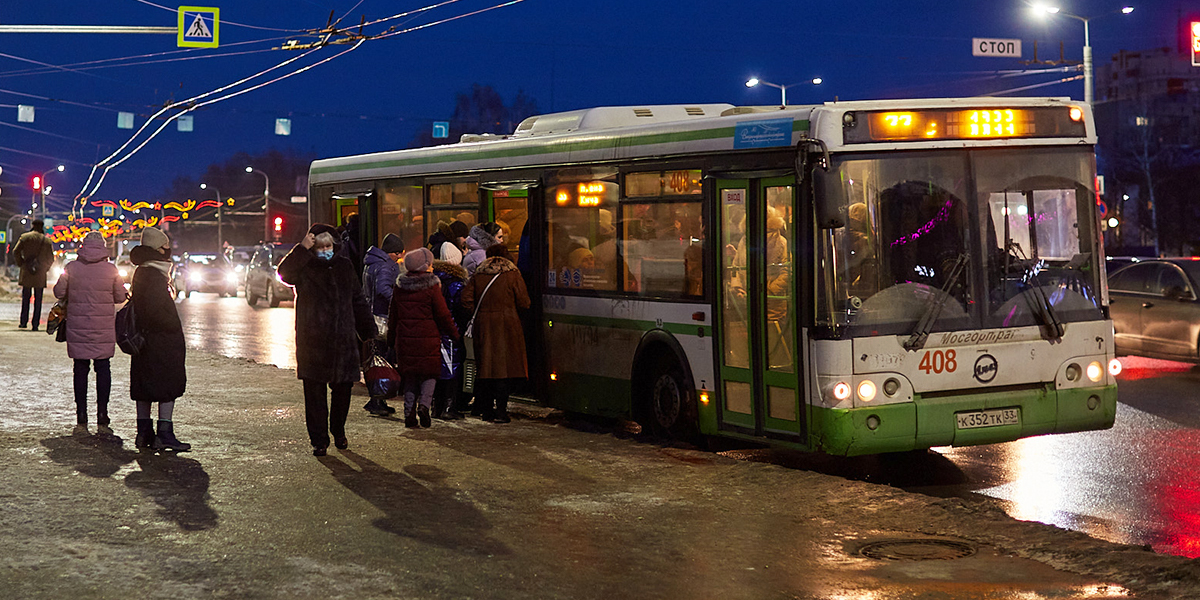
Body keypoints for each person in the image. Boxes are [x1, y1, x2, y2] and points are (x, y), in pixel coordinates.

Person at [279, 224, 376, 457]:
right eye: (320, 247)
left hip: (343, 342)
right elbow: (284, 273)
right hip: (313, 342)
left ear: (335, 246)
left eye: (328, 246)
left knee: (343, 392)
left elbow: (358, 300)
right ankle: (319, 440)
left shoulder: (344, 266)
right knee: (314, 396)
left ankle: (338, 430)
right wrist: (301, 249)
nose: (325, 250)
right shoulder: (305, 266)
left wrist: (369, 331)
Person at [53, 232, 127, 435]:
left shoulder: (71, 268)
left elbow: (59, 292)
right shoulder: (112, 270)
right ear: (103, 247)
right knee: (103, 368)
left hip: (78, 327)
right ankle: (102, 413)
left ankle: (81, 414)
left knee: (80, 368)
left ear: (83, 246)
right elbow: (120, 297)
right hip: (103, 328)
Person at [128, 227, 190, 451]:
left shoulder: (144, 271)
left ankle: (144, 433)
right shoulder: (154, 274)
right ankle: (164, 432)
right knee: (166, 385)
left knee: (145, 387)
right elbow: (155, 310)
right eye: (165, 247)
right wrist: (172, 326)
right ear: (156, 249)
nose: (168, 251)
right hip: (159, 341)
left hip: (147, 340)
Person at [387, 248, 459, 428]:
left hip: (405, 340)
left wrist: (391, 340)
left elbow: (393, 315)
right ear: (425, 265)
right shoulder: (432, 287)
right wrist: (454, 334)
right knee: (429, 375)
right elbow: (443, 315)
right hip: (428, 339)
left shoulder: (399, 286)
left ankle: (409, 413)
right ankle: (424, 406)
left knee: (410, 377)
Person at [461, 243, 530, 423]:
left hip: (483, 326)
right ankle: (501, 411)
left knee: (485, 368)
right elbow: (524, 302)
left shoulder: (479, 274)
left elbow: (466, 300)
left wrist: (479, 314)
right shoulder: (513, 274)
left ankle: (486, 410)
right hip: (508, 326)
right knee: (503, 370)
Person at [360, 232, 404, 416]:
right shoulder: (386, 266)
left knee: (375, 360)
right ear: (391, 253)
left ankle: (377, 398)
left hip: (371, 315)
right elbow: (383, 289)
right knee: (382, 359)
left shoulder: (371, 263)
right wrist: (399, 300)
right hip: (381, 317)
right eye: (398, 254)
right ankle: (377, 399)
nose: (400, 258)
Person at [431, 256, 469, 420]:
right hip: (450, 331)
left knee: (438, 370)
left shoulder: (433, 281)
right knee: (452, 368)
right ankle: (448, 407)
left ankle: (436, 407)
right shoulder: (456, 284)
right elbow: (459, 310)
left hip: (435, 331)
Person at [12, 219, 54, 331]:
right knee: (38, 300)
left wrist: (21, 263)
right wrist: (45, 269)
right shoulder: (47, 241)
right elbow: (51, 258)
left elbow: (16, 251)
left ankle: (23, 322)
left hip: (27, 271)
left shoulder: (25, 237)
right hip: (40, 273)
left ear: (33, 226)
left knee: (26, 298)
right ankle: (35, 324)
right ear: (42, 227)